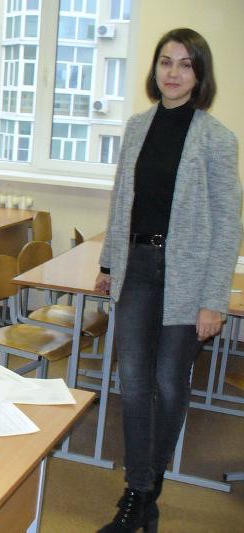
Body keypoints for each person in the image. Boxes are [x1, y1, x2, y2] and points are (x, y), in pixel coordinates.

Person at [95, 28, 241, 532]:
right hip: (137, 267)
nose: (173, 73)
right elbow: (122, 200)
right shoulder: (137, 127)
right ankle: (139, 493)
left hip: (187, 277)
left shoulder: (217, 138)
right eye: (165, 62)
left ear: (199, 75)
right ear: (154, 69)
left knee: (168, 382)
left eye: (185, 64)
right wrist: (109, 265)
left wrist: (213, 300)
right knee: (134, 383)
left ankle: (144, 489)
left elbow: (227, 225)